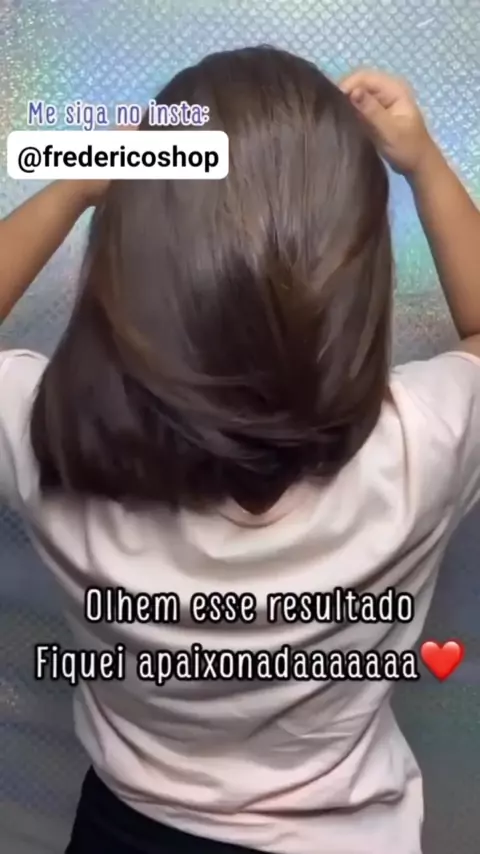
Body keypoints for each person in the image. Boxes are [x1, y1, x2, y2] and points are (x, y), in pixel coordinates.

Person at [1, 46, 480, 854]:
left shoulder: (51, 441)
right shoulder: (419, 448)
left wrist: (78, 181)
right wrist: (423, 164)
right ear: (356, 274)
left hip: (125, 832)